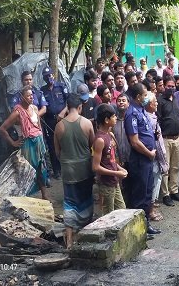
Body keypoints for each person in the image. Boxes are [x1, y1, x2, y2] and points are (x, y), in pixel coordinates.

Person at [53, 94, 95, 248]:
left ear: (67, 106)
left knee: (70, 202)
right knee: (86, 199)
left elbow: (57, 152)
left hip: (68, 170)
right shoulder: (87, 123)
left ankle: (69, 240)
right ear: (80, 107)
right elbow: (94, 147)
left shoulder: (59, 126)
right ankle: (88, 235)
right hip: (84, 168)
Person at [0, 85, 50, 199]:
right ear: (22, 97)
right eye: (28, 95)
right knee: (28, 170)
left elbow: (38, 126)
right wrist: (13, 142)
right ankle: (26, 197)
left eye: (32, 95)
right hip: (28, 144)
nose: (31, 97)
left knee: (41, 169)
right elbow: (2, 128)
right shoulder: (17, 112)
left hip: (38, 142)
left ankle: (45, 195)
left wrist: (42, 138)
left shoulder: (35, 108)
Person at [124, 83, 161, 236]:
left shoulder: (141, 110)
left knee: (147, 192)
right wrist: (148, 153)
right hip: (140, 159)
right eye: (145, 95)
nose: (147, 97)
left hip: (147, 158)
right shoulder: (131, 113)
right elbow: (134, 141)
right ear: (138, 97)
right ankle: (138, 230)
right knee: (139, 195)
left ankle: (146, 225)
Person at [93, 104, 127, 215]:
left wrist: (120, 168)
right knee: (109, 215)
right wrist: (116, 173)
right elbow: (96, 167)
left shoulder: (109, 134)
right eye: (113, 116)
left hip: (114, 181)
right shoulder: (100, 140)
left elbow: (110, 160)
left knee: (122, 210)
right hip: (106, 184)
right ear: (107, 120)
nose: (116, 118)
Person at [157, 76, 179, 206]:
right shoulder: (160, 101)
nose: (171, 88)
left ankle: (174, 191)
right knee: (165, 168)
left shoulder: (177, 99)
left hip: (177, 138)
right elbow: (158, 120)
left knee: (175, 166)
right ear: (163, 86)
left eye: (173, 86)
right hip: (165, 139)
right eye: (168, 86)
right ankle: (166, 194)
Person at [40, 67, 68, 179]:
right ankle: (57, 171)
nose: (49, 78)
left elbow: (69, 102)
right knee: (52, 146)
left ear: (54, 75)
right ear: (43, 78)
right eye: (46, 76)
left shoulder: (61, 86)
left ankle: (67, 168)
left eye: (50, 75)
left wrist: (63, 113)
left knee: (65, 143)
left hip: (63, 119)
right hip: (50, 121)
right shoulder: (42, 90)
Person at [144, 91, 167, 221]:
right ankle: (150, 210)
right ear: (148, 104)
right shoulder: (148, 119)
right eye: (155, 102)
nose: (157, 103)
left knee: (156, 180)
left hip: (157, 153)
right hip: (154, 155)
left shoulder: (152, 116)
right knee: (154, 181)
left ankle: (151, 207)